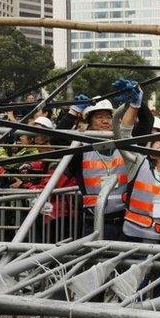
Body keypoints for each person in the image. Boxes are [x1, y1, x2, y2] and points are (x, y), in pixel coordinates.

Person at [113, 79, 160, 244]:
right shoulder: (138, 165)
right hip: (131, 239)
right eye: (158, 141)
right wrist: (135, 105)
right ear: (149, 148)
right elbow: (124, 136)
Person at [58, 95, 129, 240]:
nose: (105, 121)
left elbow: (143, 129)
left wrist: (133, 104)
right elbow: (56, 139)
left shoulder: (123, 145)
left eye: (109, 117)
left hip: (124, 221)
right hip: (93, 222)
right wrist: (73, 112)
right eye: (99, 117)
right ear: (89, 121)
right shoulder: (80, 148)